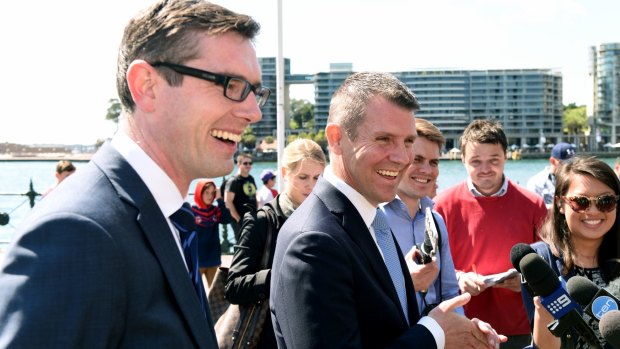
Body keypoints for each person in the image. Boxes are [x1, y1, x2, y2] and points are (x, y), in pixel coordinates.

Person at [0, 0, 267, 347]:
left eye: (256, 92)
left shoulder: (163, 217)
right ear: (147, 86)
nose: (252, 112)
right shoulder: (79, 233)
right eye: (232, 84)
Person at [270, 72, 505, 349]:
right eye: (384, 139)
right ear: (336, 139)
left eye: (407, 141)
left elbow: (392, 325)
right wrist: (434, 333)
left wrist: (454, 329)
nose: (401, 157)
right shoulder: (314, 241)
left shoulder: (371, 220)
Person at [434, 119, 548, 349]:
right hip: (462, 324)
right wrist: (458, 278)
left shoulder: (534, 204)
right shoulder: (441, 205)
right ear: (463, 160)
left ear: (506, 156)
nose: (485, 169)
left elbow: (548, 263)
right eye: (476, 161)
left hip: (520, 325)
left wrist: (526, 280)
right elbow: (432, 267)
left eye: (493, 160)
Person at [225, 138, 327, 349]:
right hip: (269, 337)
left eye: (318, 177)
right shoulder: (261, 220)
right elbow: (234, 287)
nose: (311, 185)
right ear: (284, 173)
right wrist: (284, 275)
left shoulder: (328, 219)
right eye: (303, 177)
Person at [522, 156, 620, 349]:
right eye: (581, 202)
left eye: (605, 201)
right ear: (560, 204)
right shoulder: (540, 262)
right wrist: (544, 314)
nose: (593, 211)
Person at [381, 118, 462, 316]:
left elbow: (450, 292)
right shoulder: (373, 220)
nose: (426, 170)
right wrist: (406, 284)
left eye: (433, 162)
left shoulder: (436, 221)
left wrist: (466, 331)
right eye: (417, 160)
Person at [526, 142, 577, 208]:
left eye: (573, 163)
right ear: (552, 161)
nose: (571, 166)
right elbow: (532, 209)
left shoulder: (578, 180)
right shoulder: (536, 182)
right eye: (566, 164)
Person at [192, 179, 222, 289]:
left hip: (213, 258)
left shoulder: (216, 211)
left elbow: (227, 219)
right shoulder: (192, 211)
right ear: (199, 193)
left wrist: (219, 199)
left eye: (212, 193)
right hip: (197, 259)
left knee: (215, 293)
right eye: (206, 192)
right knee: (196, 294)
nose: (210, 196)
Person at [225, 153, 258, 241]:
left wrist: (257, 213)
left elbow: (255, 195)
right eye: (245, 163)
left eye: (250, 163)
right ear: (238, 164)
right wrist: (238, 219)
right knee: (242, 245)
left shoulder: (251, 178)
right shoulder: (233, 181)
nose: (248, 165)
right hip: (240, 220)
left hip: (252, 218)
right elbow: (228, 201)